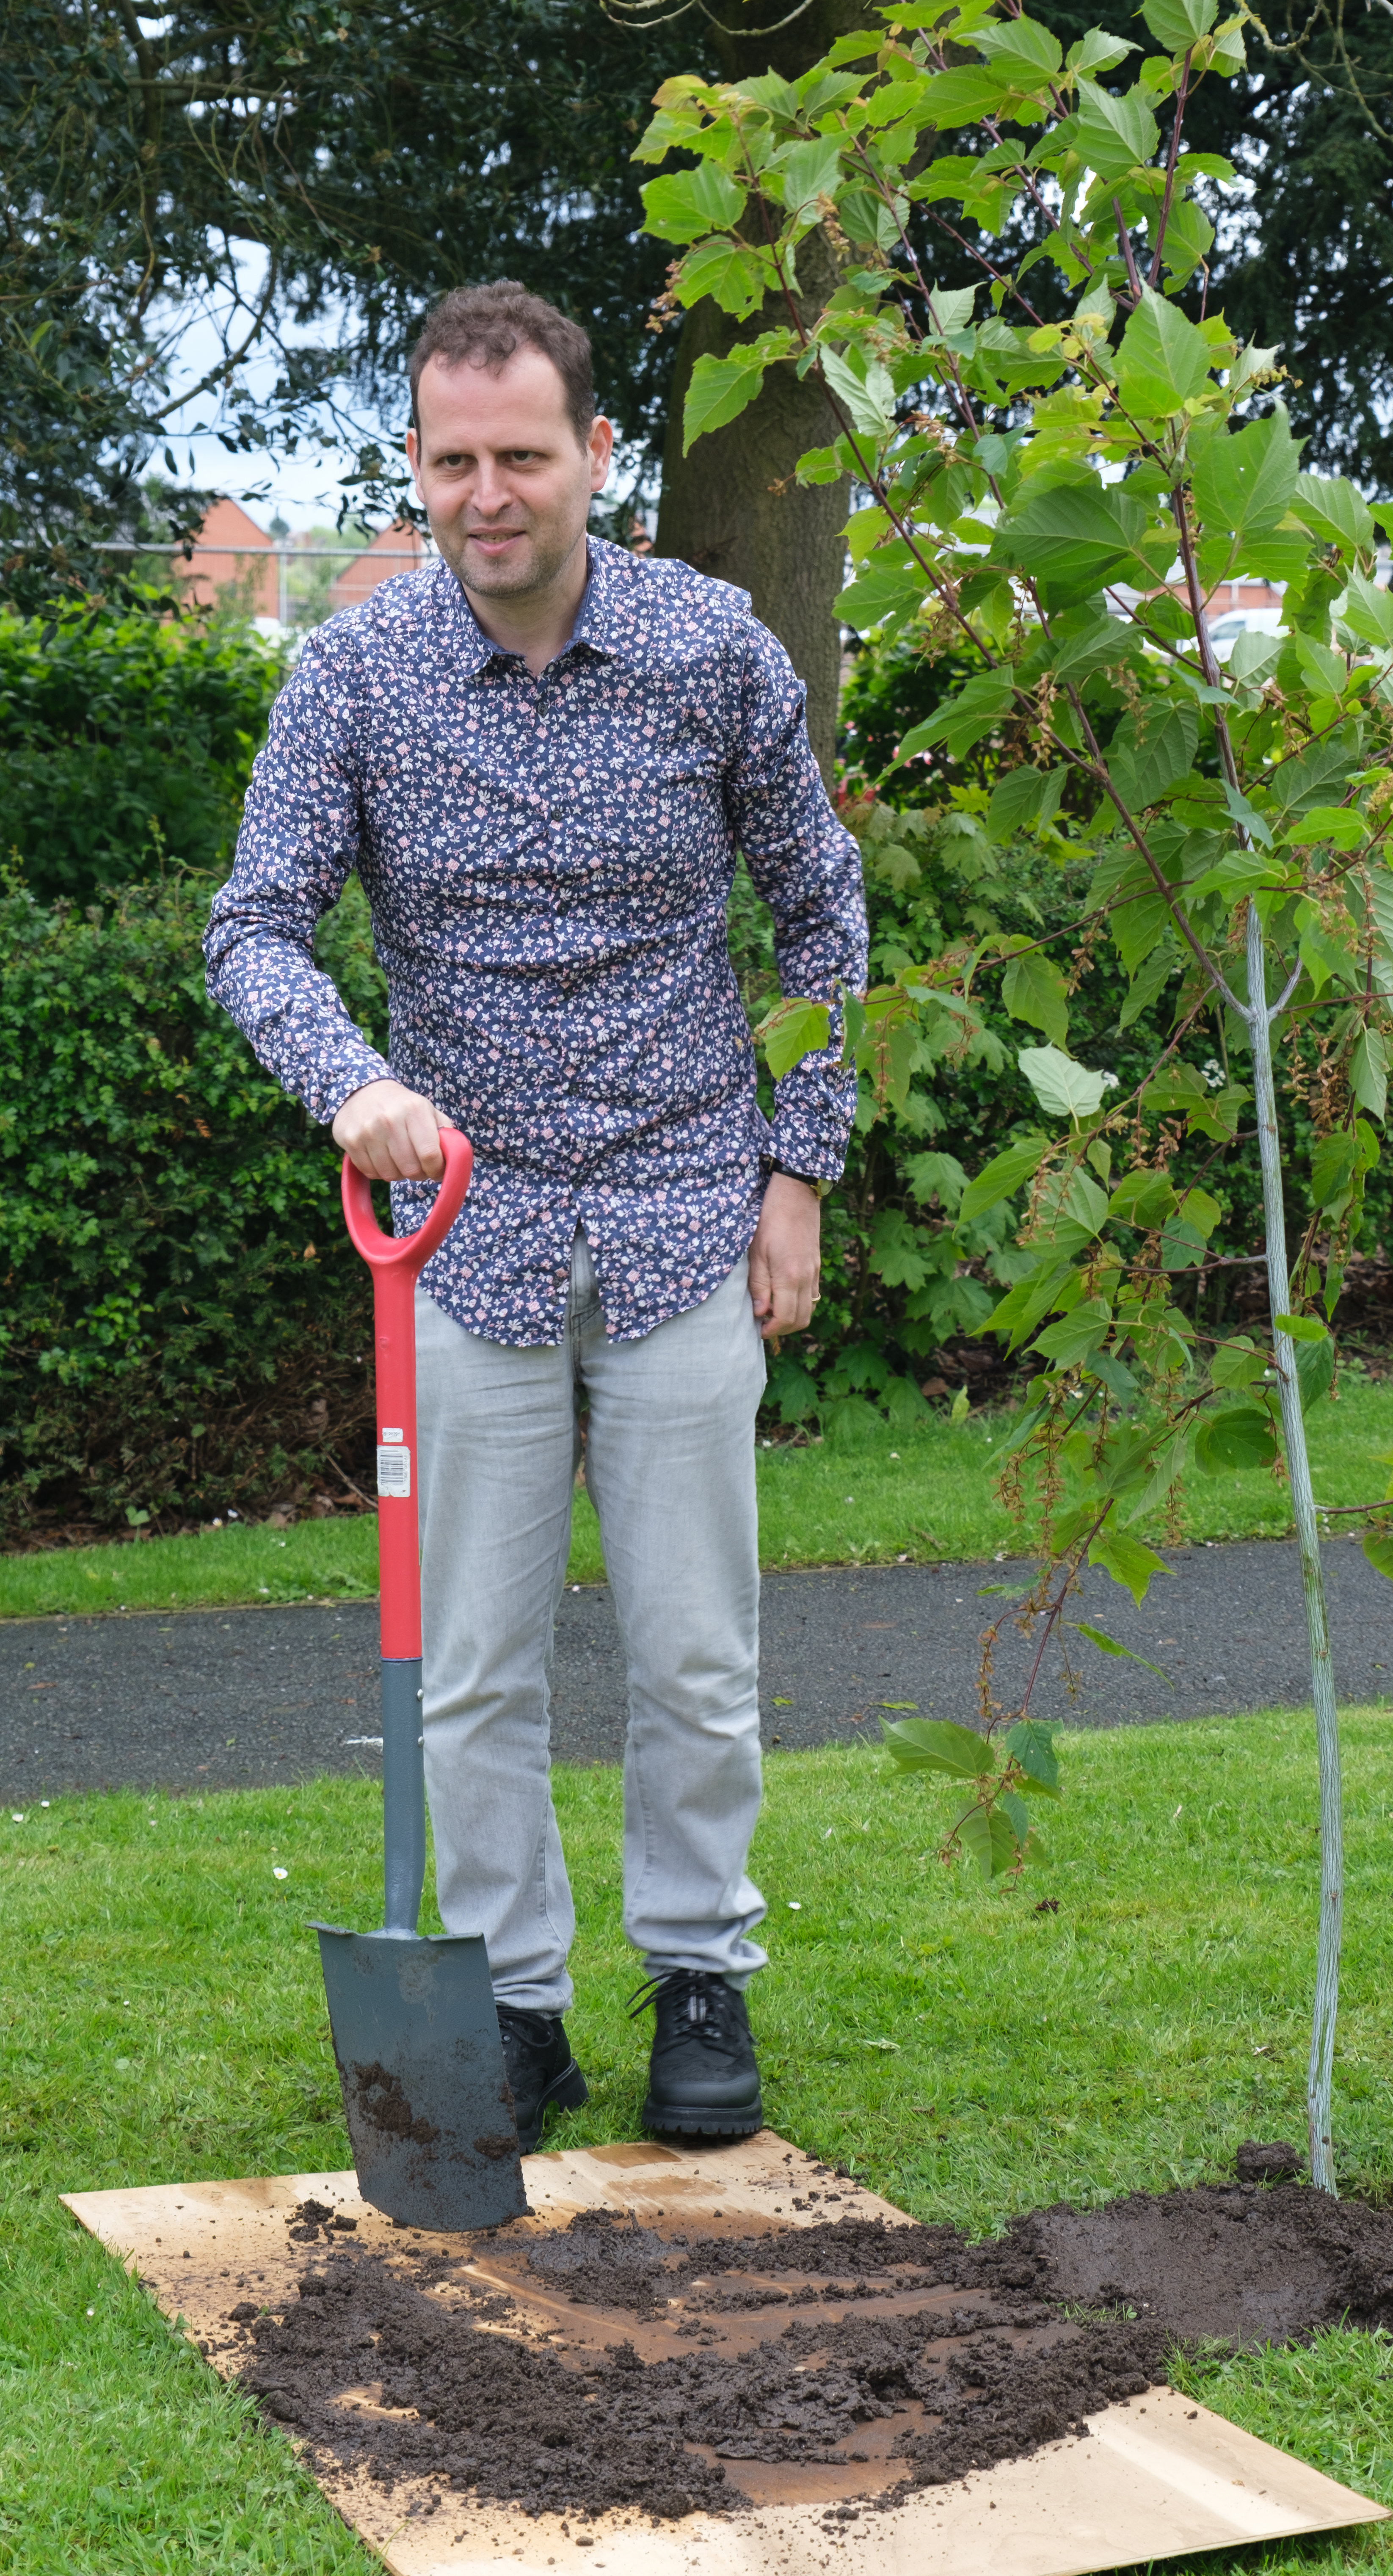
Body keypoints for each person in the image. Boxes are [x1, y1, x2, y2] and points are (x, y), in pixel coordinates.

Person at [205, 280, 867, 2150]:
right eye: (447, 462)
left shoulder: (711, 649)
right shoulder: (355, 674)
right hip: (463, 1237)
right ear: (414, 470)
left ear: (595, 456)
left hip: (677, 1210)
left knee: (690, 1648)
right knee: (474, 1664)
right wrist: (354, 1088)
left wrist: (795, 1168)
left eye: (518, 456)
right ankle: (510, 2011)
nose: (483, 495)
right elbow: (254, 923)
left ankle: (700, 1978)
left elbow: (821, 919)